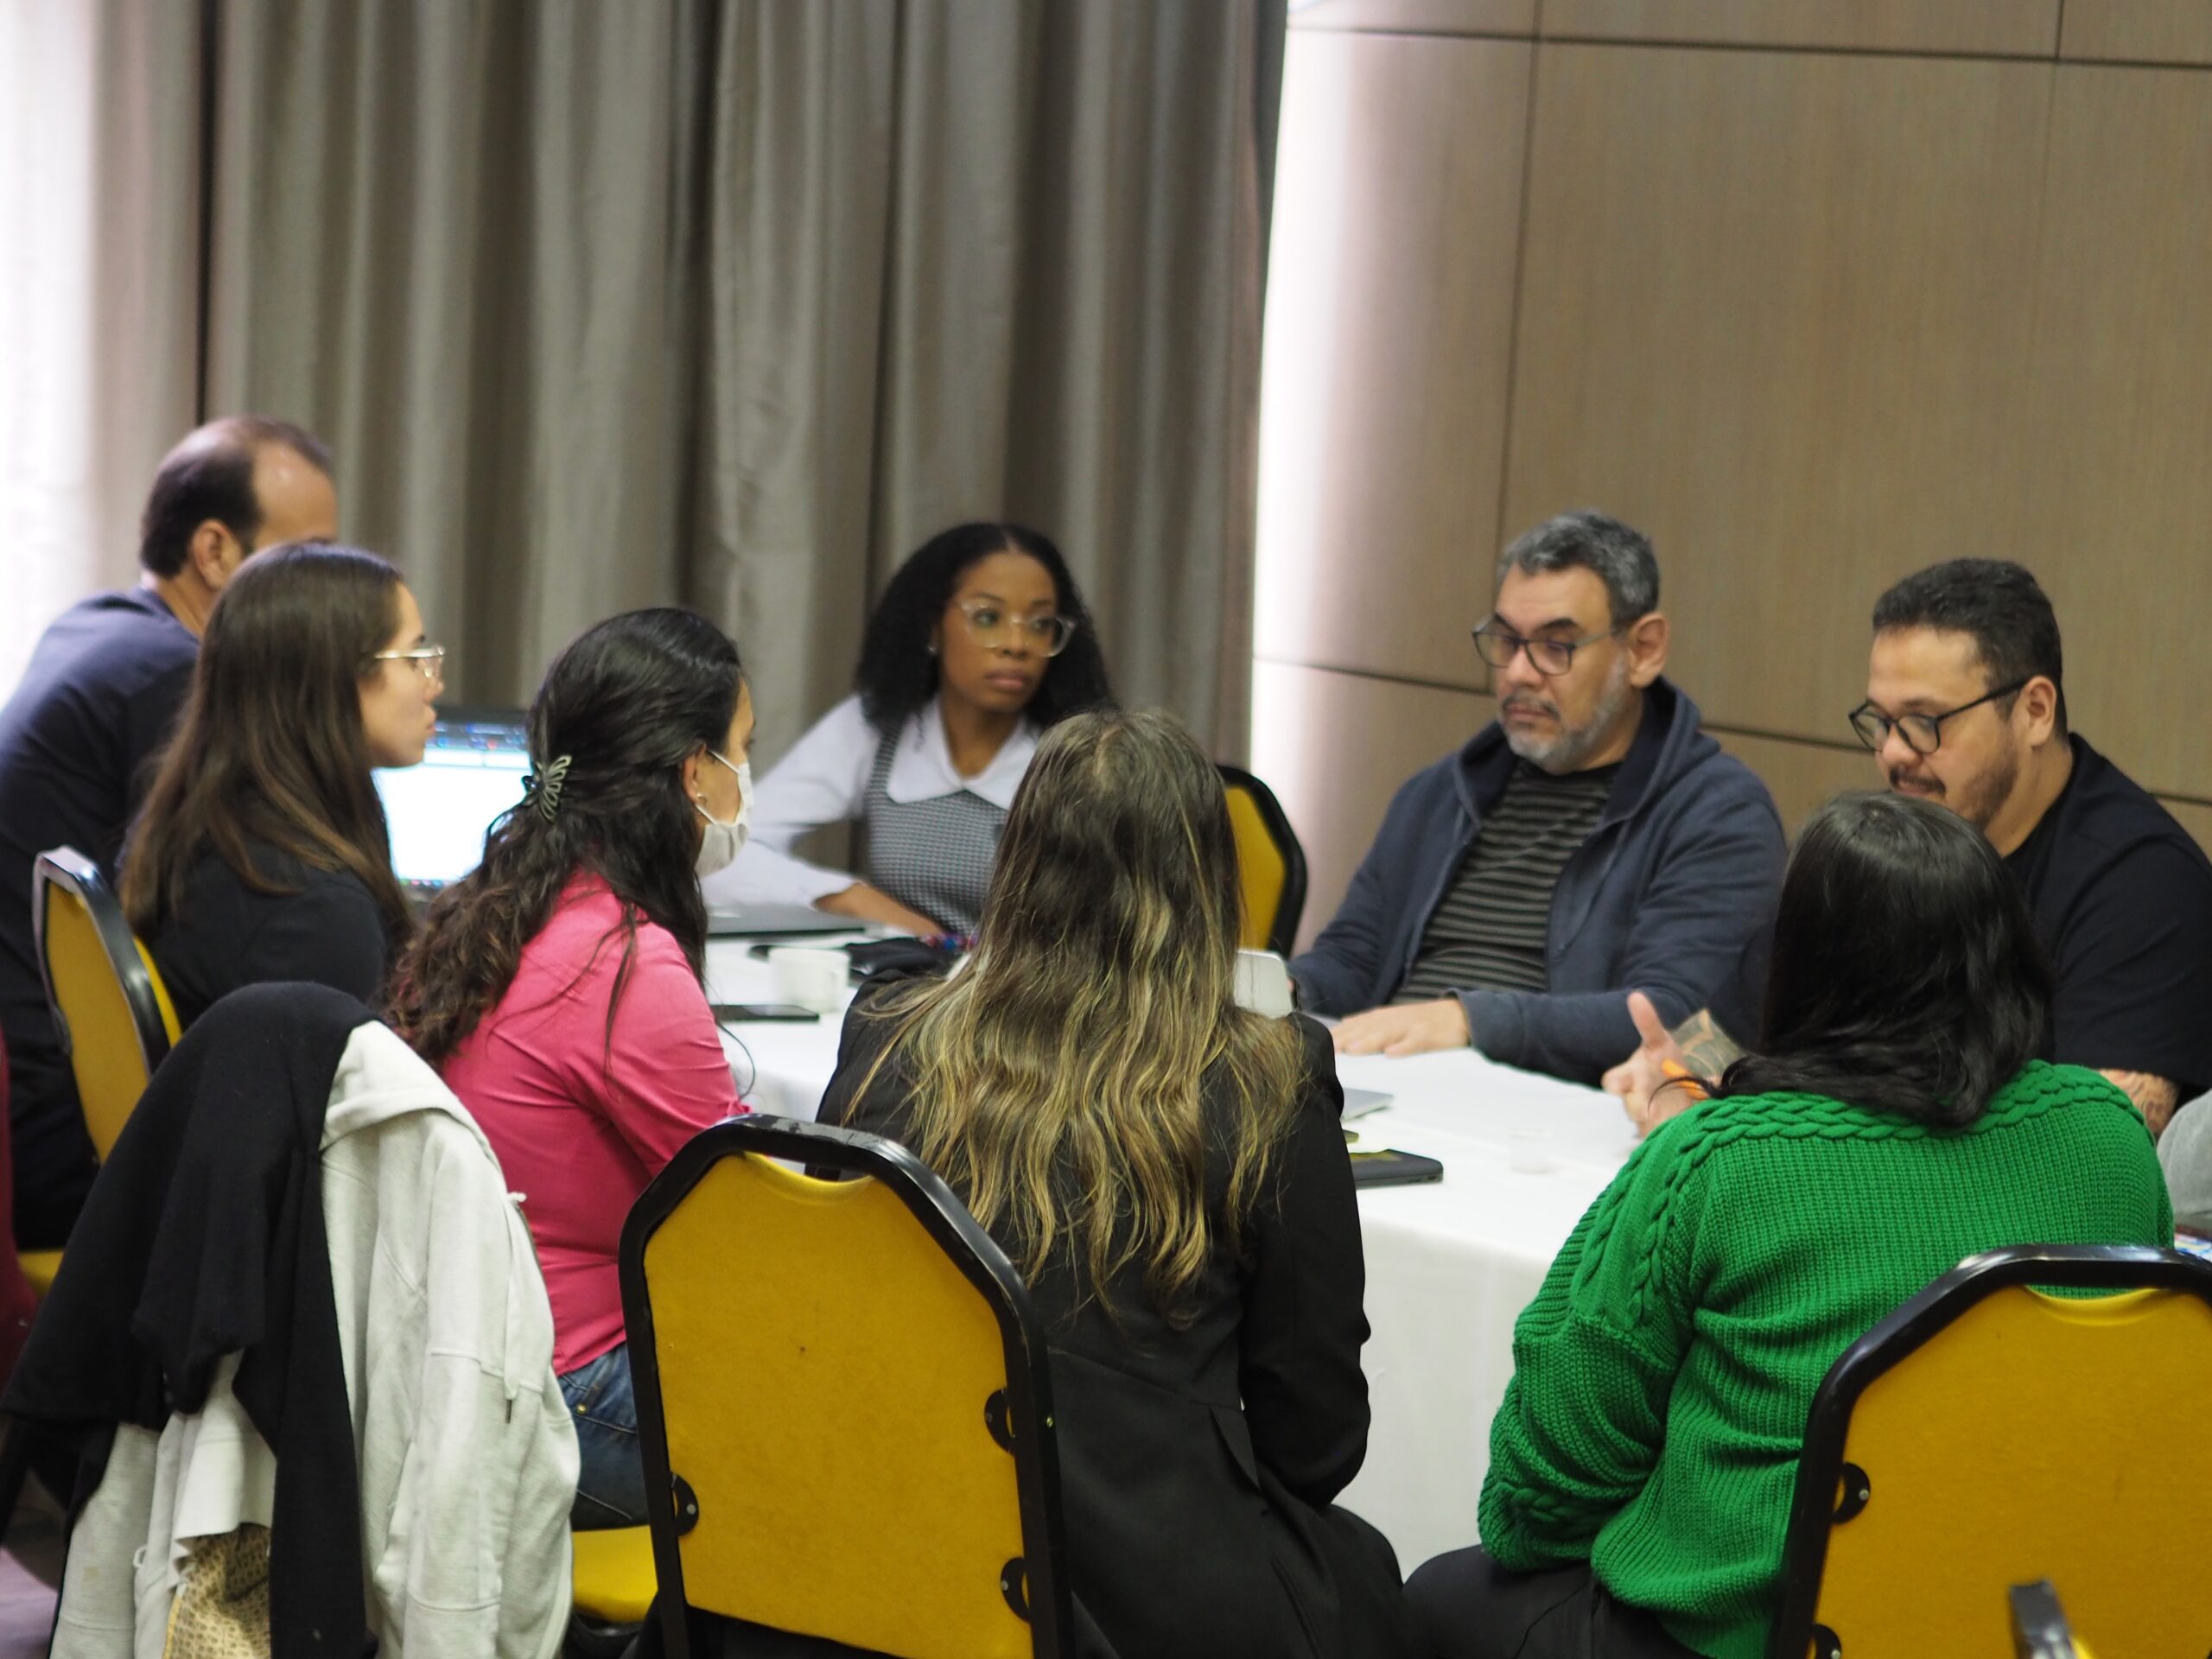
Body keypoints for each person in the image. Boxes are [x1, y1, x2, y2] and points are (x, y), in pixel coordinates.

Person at [1405, 792, 2171, 1659]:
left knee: (1440, 1596)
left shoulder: (1714, 1160)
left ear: (1803, 963)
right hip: (2031, 1618)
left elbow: (1550, 1478)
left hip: (1760, 1635)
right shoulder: (2109, 1134)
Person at [812, 709, 1414, 1659]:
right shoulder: (1268, 1081)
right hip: (1146, 1594)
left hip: (899, 1552)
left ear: (1012, 861)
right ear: (1208, 880)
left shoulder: (887, 1034)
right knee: (1377, 1589)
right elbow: (1316, 1440)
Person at [1610, 559, 2212, 1138]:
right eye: (1882, 721)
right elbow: (1709, 1049)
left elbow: (2097, 1154)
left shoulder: (2144, 886)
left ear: (2034, 710)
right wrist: (1671, 1082)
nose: (1894, 753)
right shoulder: (1878, 856)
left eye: (1925, 721)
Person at [385, 607, 754, 1529]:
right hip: (562, 1400)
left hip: (458, 1369)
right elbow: (750, 1224)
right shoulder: (623, 963)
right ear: (693, 774)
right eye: (743, 752)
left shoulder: (496, 908)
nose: (747, 783)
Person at [1287, 512, 1785, 1084]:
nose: (1520, 672)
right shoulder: (1438, 794)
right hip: (1386, 1087)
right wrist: (1290, 989)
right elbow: (1353, 959)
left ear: (1643, 650)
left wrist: (1471, 1021)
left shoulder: (1719, 814)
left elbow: (1668, 1013)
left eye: (1556, 646)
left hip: (1542, 1119)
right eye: (1506, 640)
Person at [0, 416, 335, 1248]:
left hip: (38, 1109)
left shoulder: (98, 626)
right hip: (69, 1145)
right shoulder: (172, 680)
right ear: (216, 550)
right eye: (307, 556)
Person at [702, 521, 1114, 936]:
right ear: (933, 625)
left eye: (1040, 624)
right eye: (989, 617)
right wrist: (851, 898)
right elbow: (720, 855)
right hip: (901, 987)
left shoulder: (1079, 758)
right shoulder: (878, 727)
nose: (1017, 644)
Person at [122, 541, 434, 1027]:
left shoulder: (200, 824)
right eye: (413, 656)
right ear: (335, 676)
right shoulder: (316, 914)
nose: (431, 683)